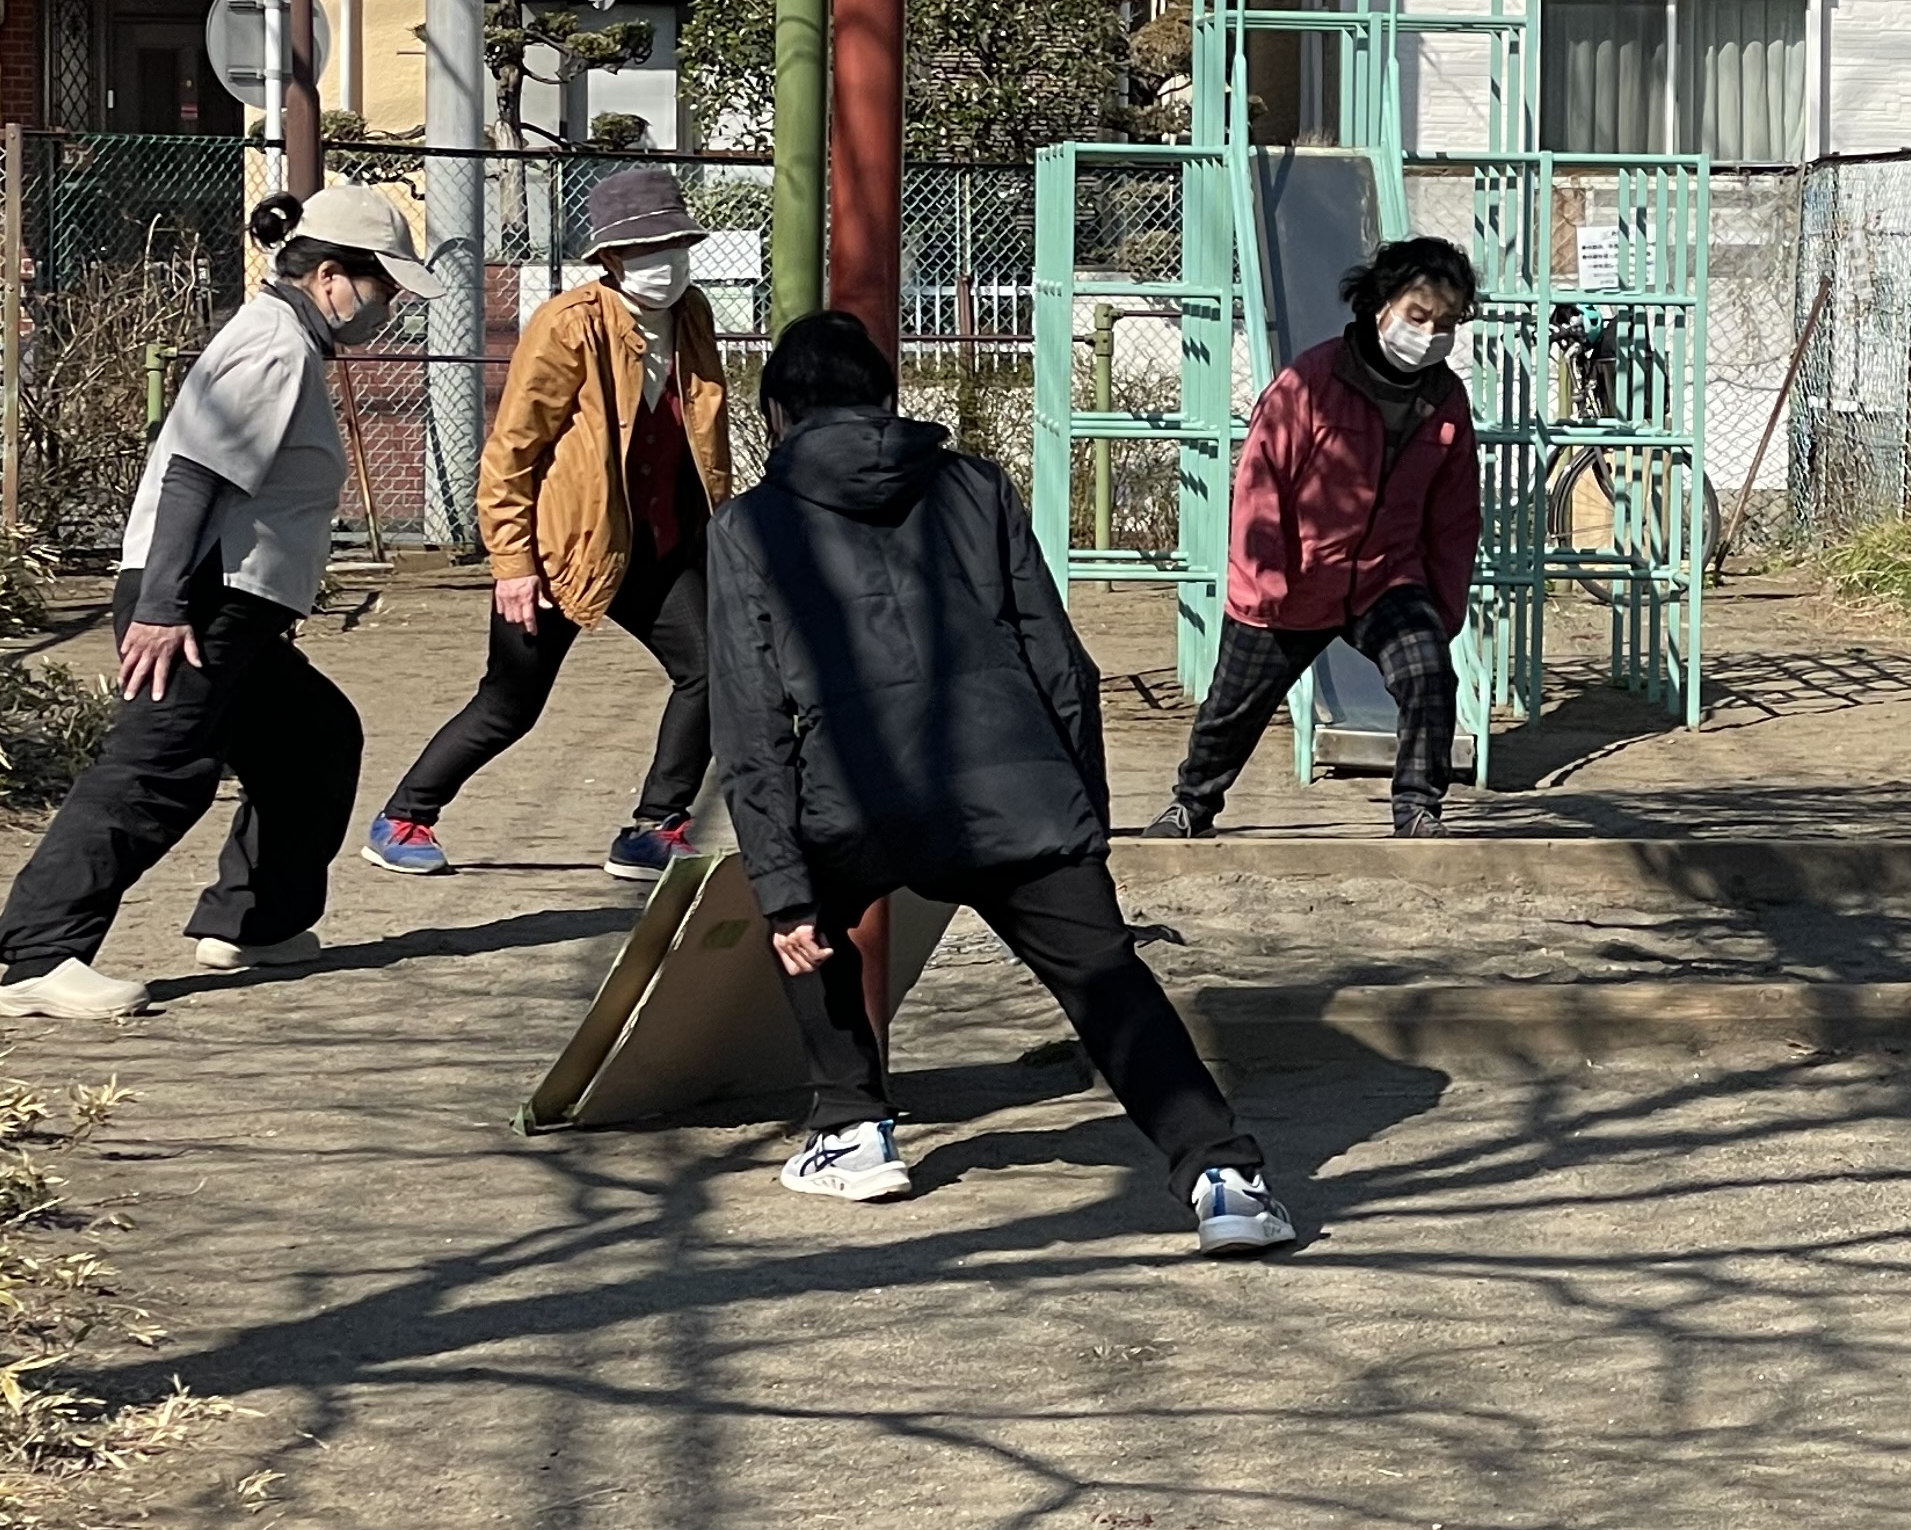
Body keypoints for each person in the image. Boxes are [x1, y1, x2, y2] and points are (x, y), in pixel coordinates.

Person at [707, 310, 1296, 1254]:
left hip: (857, 793)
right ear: (888, 397)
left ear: (774, 414)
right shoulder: (974, 486)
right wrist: (1082, 816)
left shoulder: (747, 525)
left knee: (808, 923)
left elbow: (751, 719)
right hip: (1017, 784)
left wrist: (782, 892)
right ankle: (1223, 1177)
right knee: (1106, 979)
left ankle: (853, 1126)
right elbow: (1060, 662)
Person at [0, 181, 441, 1021]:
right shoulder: (273, 345)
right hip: (198, 598)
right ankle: (38, 959)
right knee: (156, 772)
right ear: (331, 276)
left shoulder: (286, 340)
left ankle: (255, 924)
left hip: (238, 606)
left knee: (313, 743)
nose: (388, 308)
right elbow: (197, 474)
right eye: (382, 287)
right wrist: (162, 609)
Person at [366, 167, 733, 884]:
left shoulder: (693, 314)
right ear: (612, 257)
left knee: (713, 671)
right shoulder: (569, 324)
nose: (666, 263)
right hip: (564, 549)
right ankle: (404, 817)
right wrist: (512, 564)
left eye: (676, 246)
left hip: (660, 546)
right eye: (648, 249)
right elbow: (512, 451)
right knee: (511, 703)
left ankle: (655, 827)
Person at [1148, 235, 1484, 842]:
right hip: (1293, 579)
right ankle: (1191, 804)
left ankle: (1417, 810)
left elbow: (1454, 515)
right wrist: (1265, 579)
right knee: (1233, 707)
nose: (1430, 333)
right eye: (1418, 316)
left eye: (1446, 323)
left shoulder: (1446, 400)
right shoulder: (1308, 382)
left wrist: (1443, 602)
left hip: (1387, 577)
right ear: (1380, 303)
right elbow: (1261, 483)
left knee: (1429, 674)